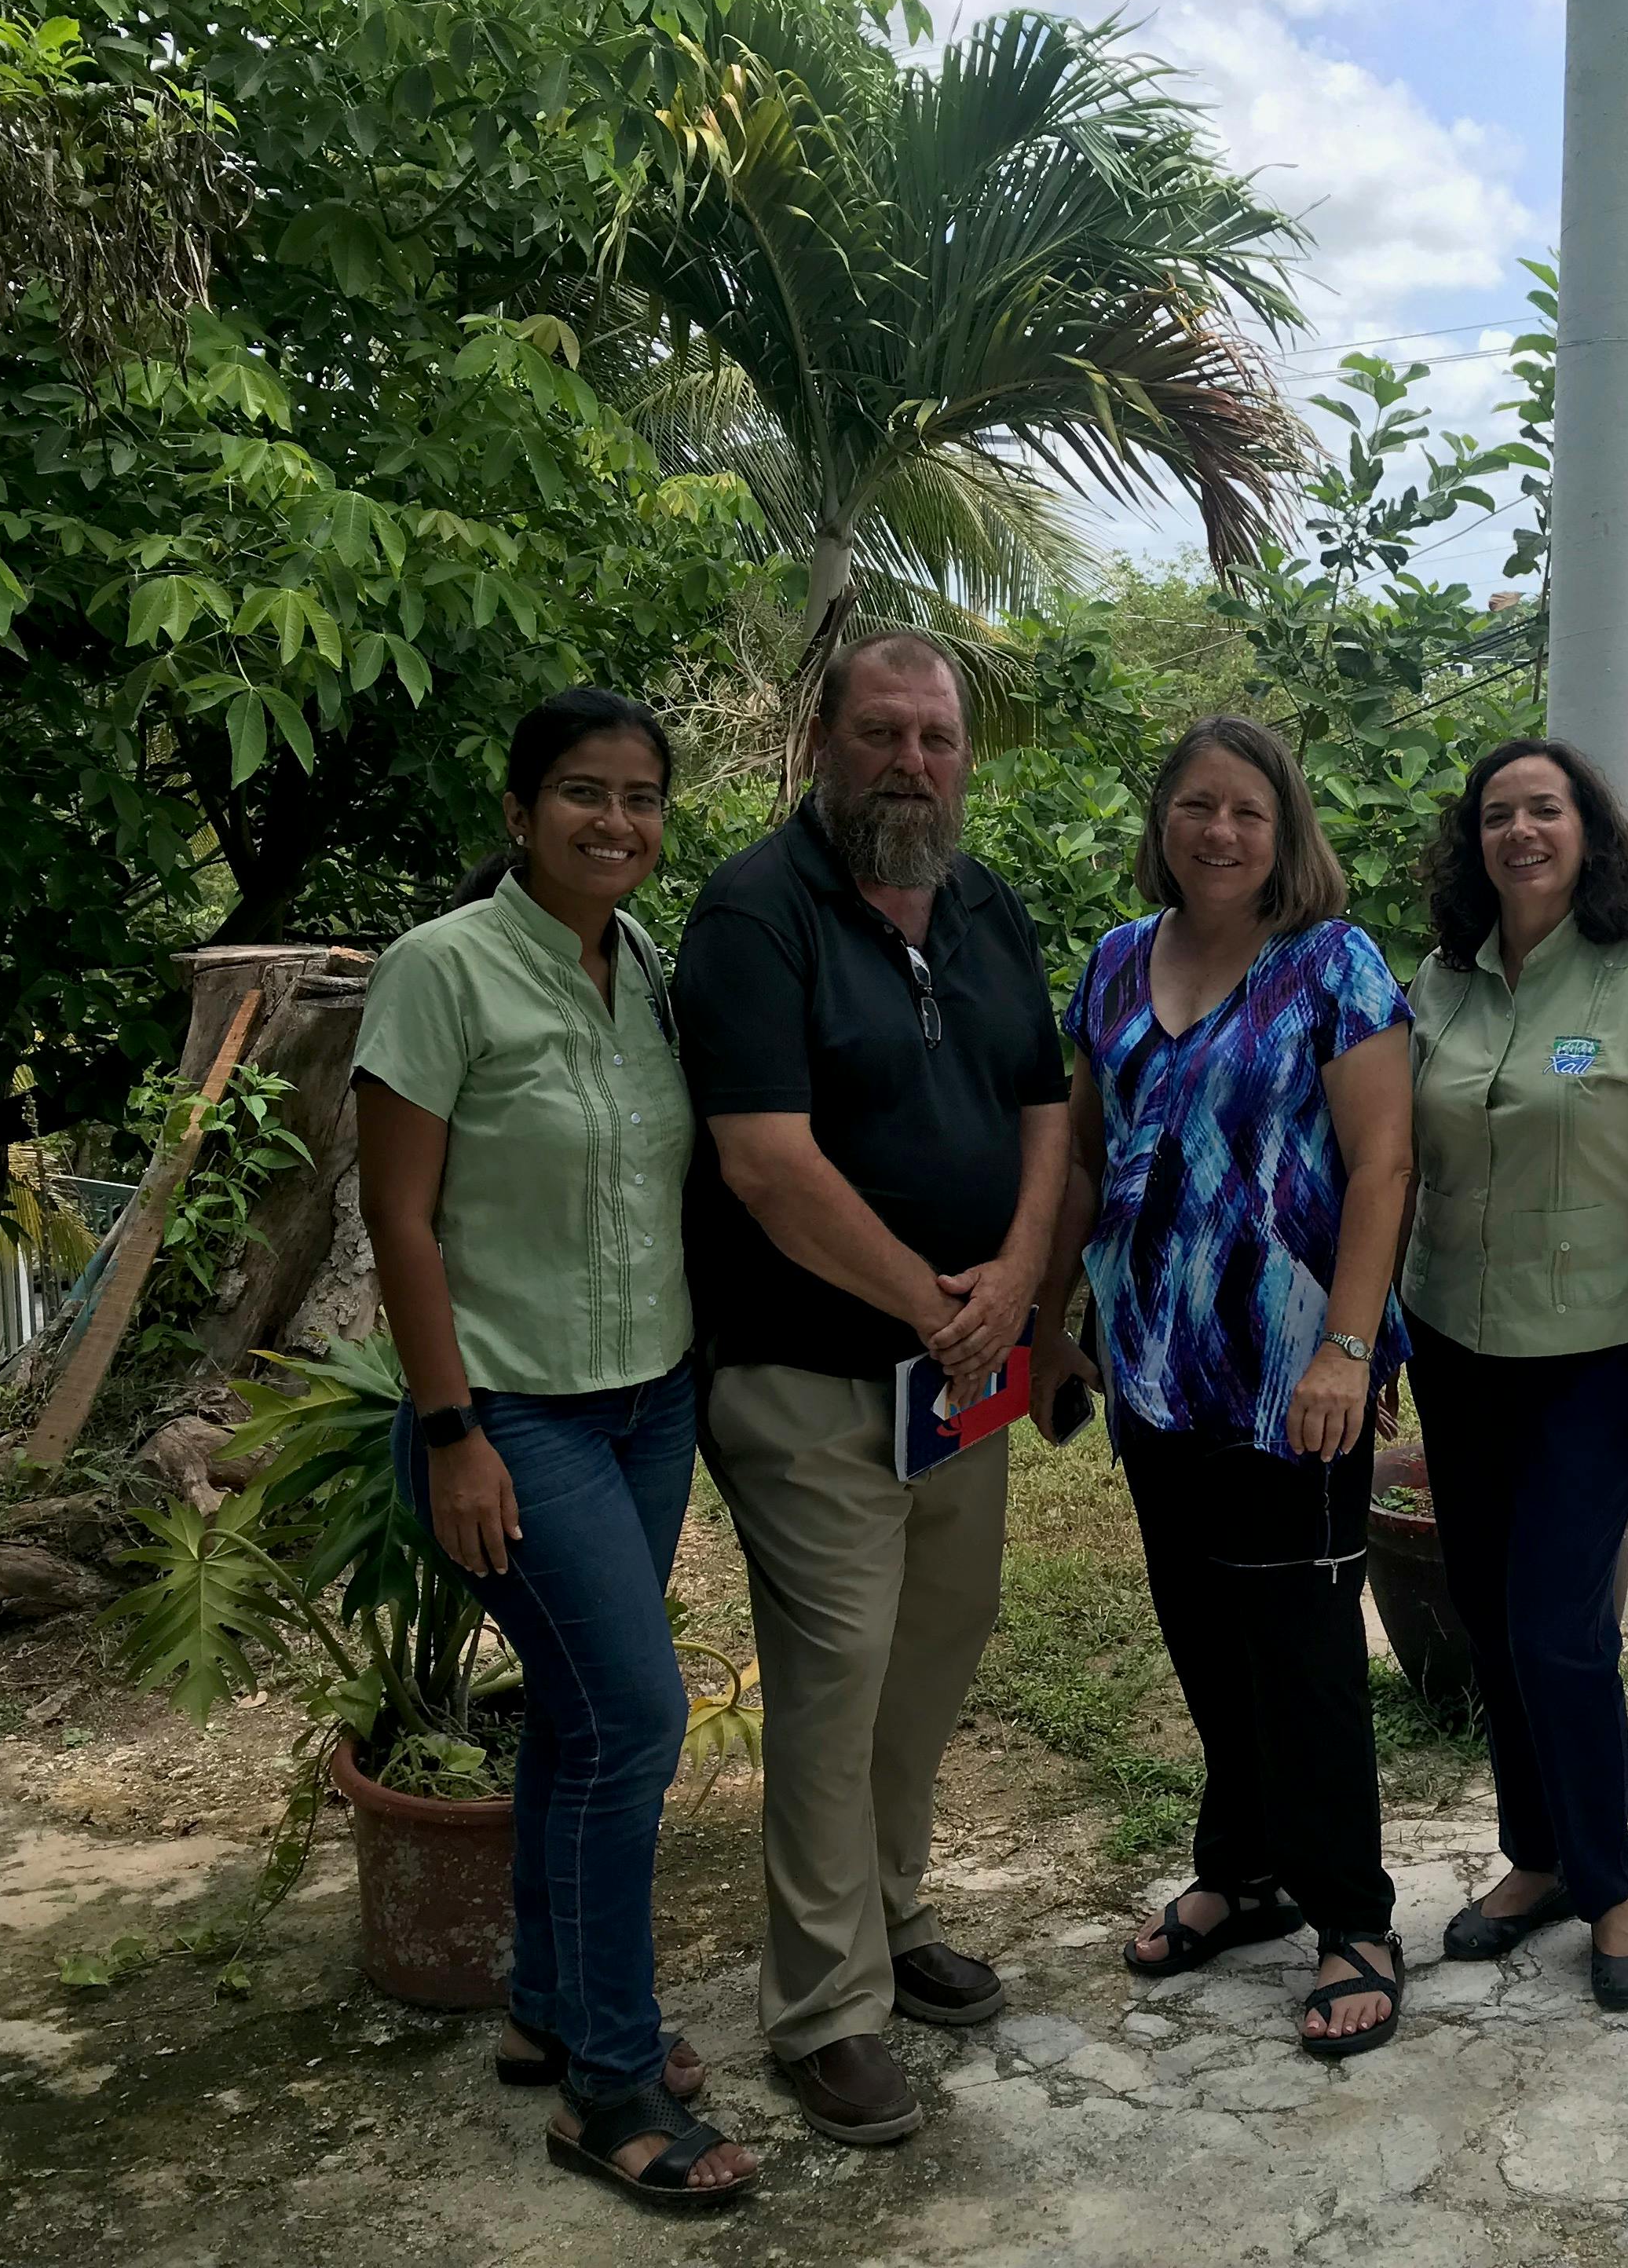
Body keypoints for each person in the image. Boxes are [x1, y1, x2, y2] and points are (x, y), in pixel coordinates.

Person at [355, 689, 757, 2211]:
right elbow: (398, 1220)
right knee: (636, 1725)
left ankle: (545, 2003)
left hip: (644, 1405)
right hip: (510, 1415)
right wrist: (452, 1430)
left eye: (643, 798)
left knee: (586, 1725)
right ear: (520, 810)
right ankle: (610, 2083)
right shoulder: (441, 972)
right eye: (585, 794)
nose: (618, 822)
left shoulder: (638, 968)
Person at [674, 632, 1070, 2145]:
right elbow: (766, 1164)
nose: (914, 762)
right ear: (820, 741)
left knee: (936, 1656)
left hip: (961, 1379)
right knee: (836, 1685)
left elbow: (1044, 1104)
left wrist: (1019, 1274)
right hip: (810, 1377)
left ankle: (889, 1924)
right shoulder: (753, 914)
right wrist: (933, 1304)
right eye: (885, 733)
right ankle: (825, 2011)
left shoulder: (984, 905)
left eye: (939, 738)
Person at [1031, 715, 1417, 2059]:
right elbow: (1083, 1158)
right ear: (1166, 820)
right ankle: (1243, 1871)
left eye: (1248, 812)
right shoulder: (1114, 962)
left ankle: (1355, 1916)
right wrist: (1051, 1320)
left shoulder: (1334, 966)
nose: (1221, 833)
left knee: (1304, 1649)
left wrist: (1348, 1349)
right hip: (1151, 1362)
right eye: (1198, 807)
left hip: (1290, 1372)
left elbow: (1383, 1166)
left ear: (1284, 831)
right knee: (1201, 1629)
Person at [1393, 737, 1628, 2013]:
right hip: (1454, 1346)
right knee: (1487, 1616)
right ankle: (1532, 1859)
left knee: (1559, 1628)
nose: (1522, 832)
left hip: (1594, 1357)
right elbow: (1399, 1164)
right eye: (1498, 815)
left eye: (1546, 810)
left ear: (1588, 834)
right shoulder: (1436, 987)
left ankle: (1612, 1881)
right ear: (1473, 843)